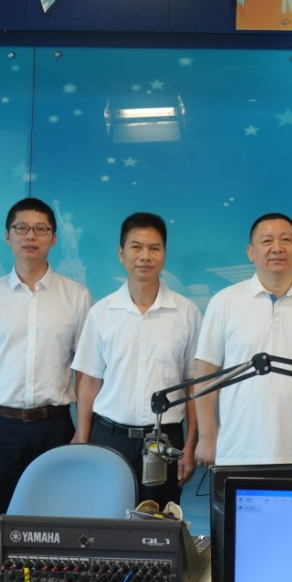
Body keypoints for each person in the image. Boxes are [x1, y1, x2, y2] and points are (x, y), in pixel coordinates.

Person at [0, 197, 90, 514]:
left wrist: (82, 433)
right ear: (7, 236)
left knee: (56, 519)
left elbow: (85, 373)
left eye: (40, 229)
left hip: (55, 427)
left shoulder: (77, 296)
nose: (30, 236)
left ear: (53, 238)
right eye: (21, 228)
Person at [72, 212, 201, 509]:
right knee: (107, 519)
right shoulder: (102, 313)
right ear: (121, 253)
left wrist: (191, 443)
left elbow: (194, 386)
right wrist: (82, 437)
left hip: (165, 441)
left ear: (164, 254)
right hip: (109, 438)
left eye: (154, 248)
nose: (145, 256)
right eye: (136, 247)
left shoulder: (187, 313)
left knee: (159, 524)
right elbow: (89, 382)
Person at [193, 213, 292, 467]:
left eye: (286, 240)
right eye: (266, 241)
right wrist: (207, 437)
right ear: (250, 252)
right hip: (238, 449)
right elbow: (205, 372)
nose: (277, 248)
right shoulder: (225, 301)